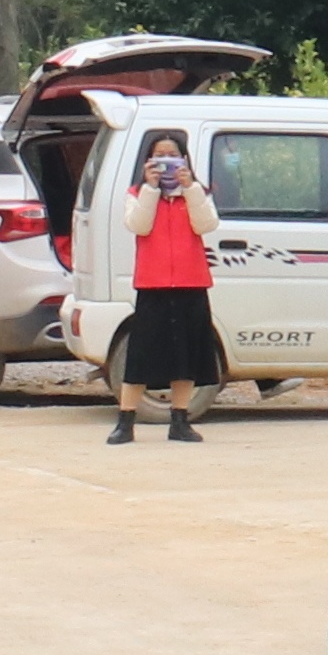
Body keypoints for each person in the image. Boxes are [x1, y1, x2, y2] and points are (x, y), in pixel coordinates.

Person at [108, 130, 224, 446]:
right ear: (148, 161)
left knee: (186, 355)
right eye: (159, 155)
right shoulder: (136, 192)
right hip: (153, 283)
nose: (167, 162)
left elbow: (206, 225)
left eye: (173, 155)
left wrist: (190, 190)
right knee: (141, 355)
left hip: (191, 282)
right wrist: (150, 188)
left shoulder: (196, 192)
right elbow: (138, 225)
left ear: (184, 160)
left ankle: (180, 419)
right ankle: (125, 421)